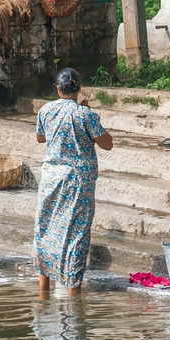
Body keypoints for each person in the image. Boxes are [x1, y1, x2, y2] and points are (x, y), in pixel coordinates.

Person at [32, 68, 114, 296]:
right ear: (79, 89)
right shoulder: (85, 115)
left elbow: (41, 137)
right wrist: (86, 116)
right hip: (78, 182)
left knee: (46, 229)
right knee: (76, 234)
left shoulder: (46, 110)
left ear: (58, 89)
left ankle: (43, 291)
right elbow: (107, 143)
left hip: (51, 180)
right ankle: (72, 294)